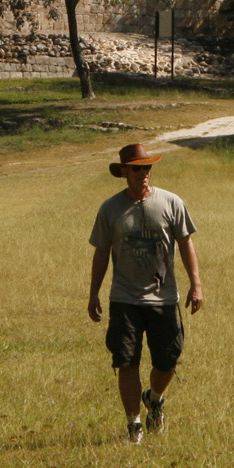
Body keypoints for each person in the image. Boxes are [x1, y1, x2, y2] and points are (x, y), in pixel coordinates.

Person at [88, 142, 202, 444]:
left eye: (147, 168)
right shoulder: (110, 209)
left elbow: (185, 243)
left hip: (164, 297)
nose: (143, 174)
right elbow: (101, 252)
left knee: (167, 360)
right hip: (125, 297)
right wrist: (94, 293)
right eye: (137, 169)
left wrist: (196, 284)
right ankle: (134, 423)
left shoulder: (171, 202)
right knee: (126, 360)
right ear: (124, 171)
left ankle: (154, 397)